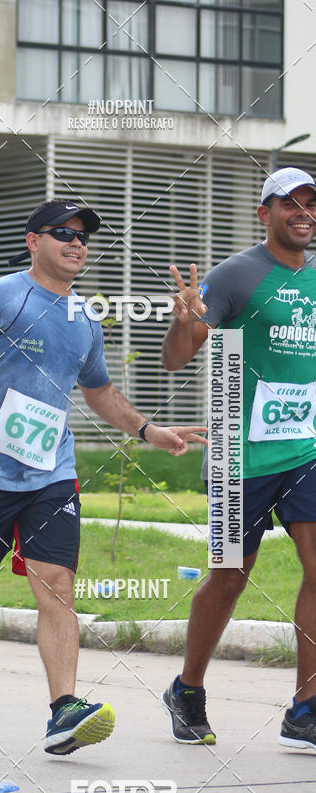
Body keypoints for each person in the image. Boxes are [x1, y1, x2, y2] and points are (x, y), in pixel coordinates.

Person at [0, 199, 207, 755]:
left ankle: (62, 711)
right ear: (33, 242)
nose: (77, 244)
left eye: (83, 238)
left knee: (57, 583)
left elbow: (99, 392)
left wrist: (148, 430)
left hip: (53, 473)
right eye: (63, 234)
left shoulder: (86, 319)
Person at [161, 167, 316, 750]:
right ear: (265, 214)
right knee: (229, 578)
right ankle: (188, 688)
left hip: (306, 447)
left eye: (311, 204)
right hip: (236, 452)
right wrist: (185, 322)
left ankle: (306, 706)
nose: (303, 213)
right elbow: (177, 359)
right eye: (290, 204)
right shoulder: (236, 275)